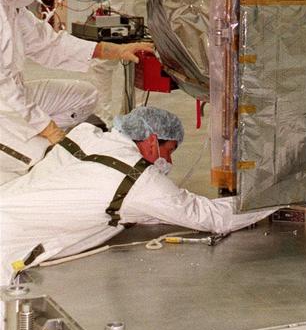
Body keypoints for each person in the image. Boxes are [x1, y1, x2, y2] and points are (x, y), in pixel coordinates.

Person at [1, 107, 276, 279]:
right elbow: (214, 217)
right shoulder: (139, 182)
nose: (168, 163)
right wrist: (278, 194)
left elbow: (93, 193)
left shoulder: (84, 135)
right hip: (8, 244)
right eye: (168, 152)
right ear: (152, 140)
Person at [0, 0, 153, 174]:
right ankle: (33, 151)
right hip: (4, 98)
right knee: (39, 160)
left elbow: (49, 45)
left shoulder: (10, 5)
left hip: (11, 97)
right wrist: (47, 129)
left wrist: (113, 50)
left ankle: (32, 141)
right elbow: (3, 87)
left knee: (84, 96)